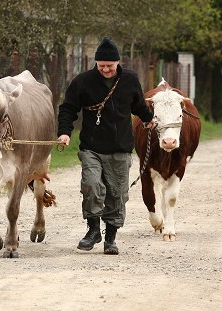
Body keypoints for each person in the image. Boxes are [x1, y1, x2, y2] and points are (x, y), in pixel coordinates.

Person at [57, 37, 156, 255]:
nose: (106, 70)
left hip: (120, 148)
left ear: (118, 63)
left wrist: (149, 118)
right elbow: (68, 108)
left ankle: (110, 238)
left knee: (117, 194)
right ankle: (93, 230)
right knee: (91, 185)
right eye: (101, 66)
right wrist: (64, 131)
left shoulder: (129, 79)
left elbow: (138, 104)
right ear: (96, 64)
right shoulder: (83, 81)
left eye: (110, 66)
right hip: (91, 147)